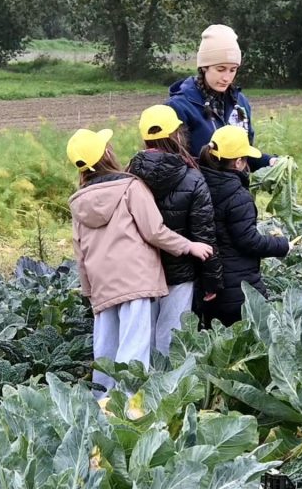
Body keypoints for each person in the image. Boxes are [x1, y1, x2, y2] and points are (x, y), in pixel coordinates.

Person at [66, 128, 212, 396]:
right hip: (136, 278)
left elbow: (80, 251)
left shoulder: (78, 202)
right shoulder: (130, 186)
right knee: (135, 347)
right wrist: (188, 246)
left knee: (106, 348)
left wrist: (88, 290)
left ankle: (102, 402)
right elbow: (154, 230)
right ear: (107, 154)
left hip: (102, 283)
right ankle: (130, 406)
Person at [127, 105, 222, 354]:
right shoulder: (192, 176)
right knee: (171, 335)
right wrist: (211, 280)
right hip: (181, 270)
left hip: (140, 270)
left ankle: (140, 389)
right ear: (177, 134)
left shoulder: (128, 174)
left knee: (141, 337)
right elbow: (204, 232)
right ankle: (169, 388)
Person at [198, 125, 290, 327]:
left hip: (208, 285)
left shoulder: (198, 183)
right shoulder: (238, 196)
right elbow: (248, 241)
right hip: (238, 289)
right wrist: (282, 245)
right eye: (246, 159)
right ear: (238, 162)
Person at [166, 24, 277, 172]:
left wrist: (269, 161)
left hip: (237, 191)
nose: (226, 77)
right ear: (204, 67)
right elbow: (175, 164)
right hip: (200, 193)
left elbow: (243, 152)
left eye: (233, 70)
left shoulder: (241, 103)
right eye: (220, 69)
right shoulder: (179, 107)